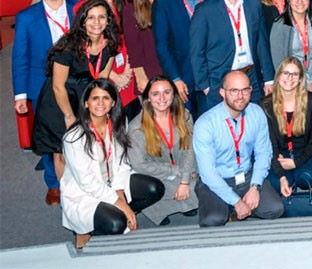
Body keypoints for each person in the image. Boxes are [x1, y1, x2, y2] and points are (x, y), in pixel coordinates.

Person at [33, 0, 132, 176]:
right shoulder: (68, 46)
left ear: (108, 20)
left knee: (89, 147)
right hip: (61, 101)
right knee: (63, 150)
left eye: (101, 17)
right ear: (82, 20)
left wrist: (100, 109)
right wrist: (69, 116)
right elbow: (58, 86)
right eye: (91, 18)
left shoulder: (110, 43)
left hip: (87, 98)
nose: (96, 23)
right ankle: (67, 195)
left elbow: (102, 80)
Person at [61, 80, 164, 249]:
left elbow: (122, 164)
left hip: (113, 183)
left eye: (106, 98)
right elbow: (87, 182)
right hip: (85, 193)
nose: (100, 103)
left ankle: (117, 214)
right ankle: (87, 230)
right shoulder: (74, 137)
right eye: (95, 98)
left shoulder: (117, 124)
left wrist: (120, 193)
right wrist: (120, 202)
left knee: (154, 188)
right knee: (117, 224)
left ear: (113, 102)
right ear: (86, 103)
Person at [13, 0, 76, 203]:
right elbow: (20, 56)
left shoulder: (78, 9)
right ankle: (54, 183)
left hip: (75, 81)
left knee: (78, 131)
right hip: (42, 83)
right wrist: (20, 95)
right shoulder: (26, 17)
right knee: (52, 135)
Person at [193, 70, 285, 226]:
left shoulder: (256, 113)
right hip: (217, 179)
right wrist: (236, 201)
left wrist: (255, 186)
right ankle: (230, 208)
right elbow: (208, 173)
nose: (240, 96)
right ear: (222, 92)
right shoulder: (205, 123)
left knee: (275, 209)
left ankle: (235, 212)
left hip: (246, 177)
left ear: (250, 90)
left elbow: (264, 153)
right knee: (213, 220)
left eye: (245, 90)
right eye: (234, 91)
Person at [189, 0, 275, 113]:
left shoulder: (254, 5)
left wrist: (269, 78)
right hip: (219, 83)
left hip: (251, 80)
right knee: (223, 133)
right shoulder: (204, 11)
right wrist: (206, 86)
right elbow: (196, 52)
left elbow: (262, 44)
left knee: (252, 127)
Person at [126, 77, 199, 226]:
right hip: (157, 175)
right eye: (155, 94)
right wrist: (174, 170)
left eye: (167, 92)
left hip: (186, 172)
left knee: (204, 185)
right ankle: (163, 206)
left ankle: (178, 198)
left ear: (173, 95)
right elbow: (139, 165)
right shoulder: (136, 127)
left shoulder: (184, 115)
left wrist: (184, 180)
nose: (162, 98)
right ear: (147, 98)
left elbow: (190, 149)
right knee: (155, 190)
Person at [261, 57, 312, 197]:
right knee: (275, 182)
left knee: (309, 177)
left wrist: (297, 162)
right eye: (286, 73)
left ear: (300, 79)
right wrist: (280, 174)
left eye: (295, 74)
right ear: (278, 76)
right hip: (279, 154)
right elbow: (269, 144)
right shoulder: (266, 105)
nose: (290, 78)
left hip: (308, 152)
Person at [269, 0, 312, 114]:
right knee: (299, 122)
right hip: (291, 80)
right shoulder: (280, 25)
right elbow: (279, 61)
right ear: (288, 1)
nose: (300, 2)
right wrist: (299, 82)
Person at [121, 0, 164, 103]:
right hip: (148, 71)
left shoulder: (170, 0)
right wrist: (140, 77)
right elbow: (133, 47)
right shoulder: (130, 9)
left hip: (172, 68)